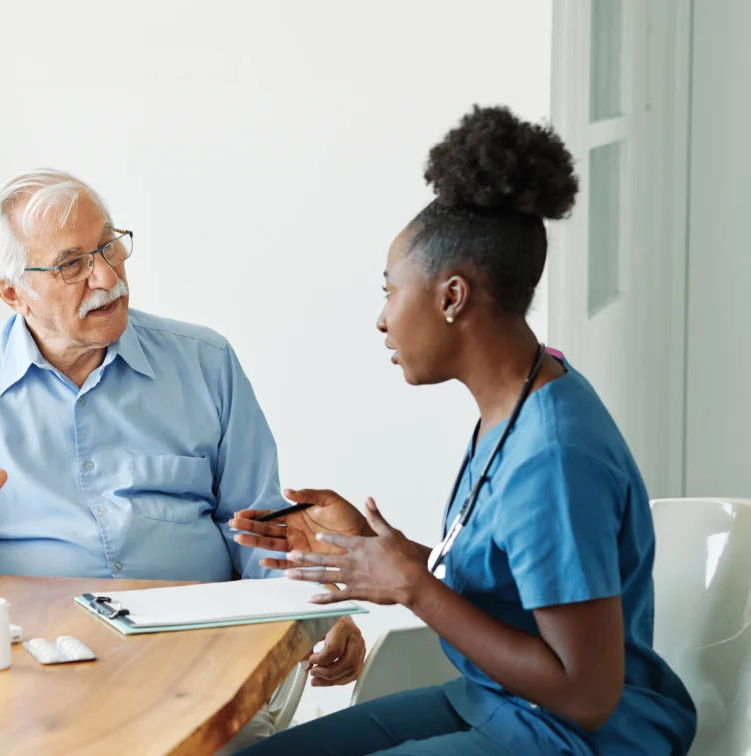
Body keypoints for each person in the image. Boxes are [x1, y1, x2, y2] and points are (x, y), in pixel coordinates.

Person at [230, 106, 697, 755]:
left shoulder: (555, 457)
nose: (382, 320)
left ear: (453, 297)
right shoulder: (523, 393)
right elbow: (505, 584)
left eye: (390, 291)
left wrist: (412, 588)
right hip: (501, 704)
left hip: (579, 737)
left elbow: (589, 694)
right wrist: (371, 551)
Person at [0, 169, 364, 749]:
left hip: (197, 672)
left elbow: (262, 529)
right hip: (30, 683)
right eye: (72, 264)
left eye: (109, 246)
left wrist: (316, 606)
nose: (108, 276)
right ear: (11, 291)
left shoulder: (205, 364)